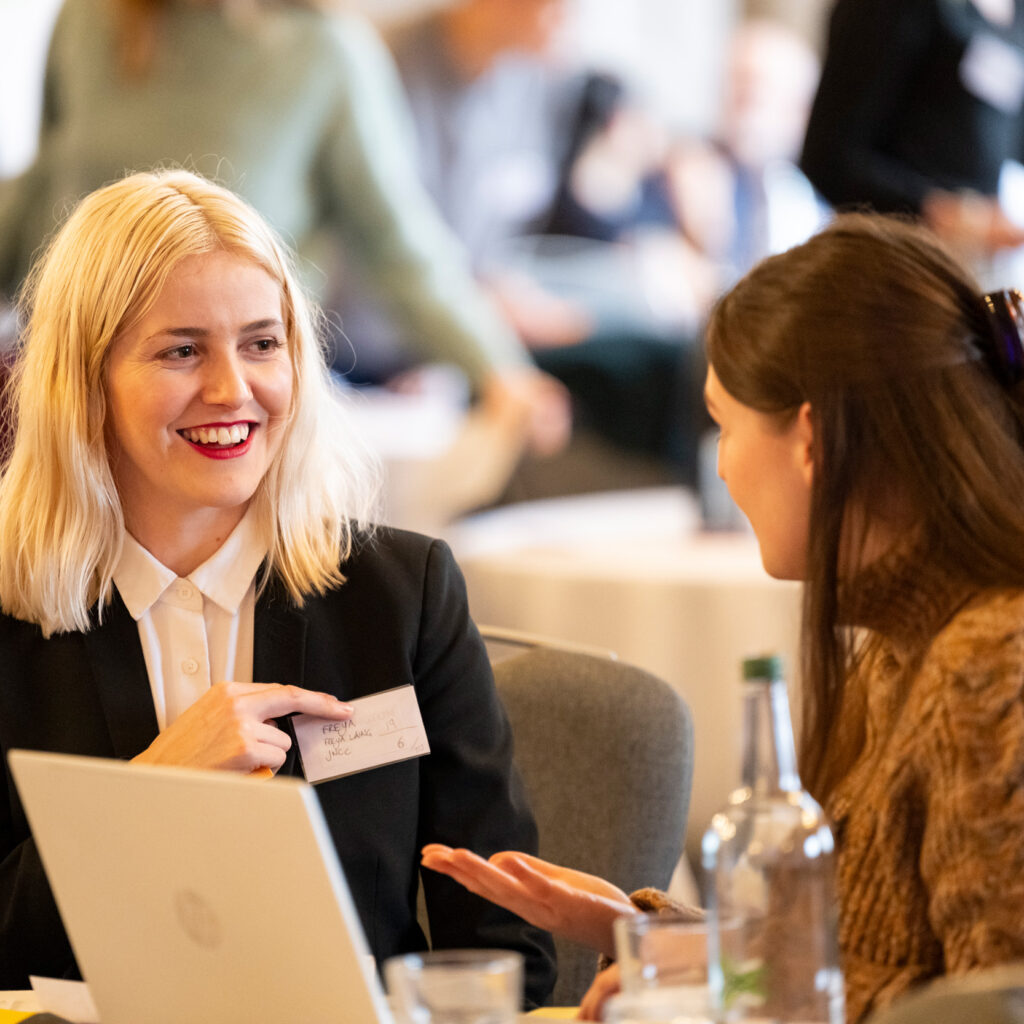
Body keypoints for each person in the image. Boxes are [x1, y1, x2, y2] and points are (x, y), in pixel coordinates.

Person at [422, 212, 1024, 1021]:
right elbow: (869, 963)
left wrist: (719, 978)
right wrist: (658, 939)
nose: (723, 465)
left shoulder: (989, 667)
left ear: (809, 439)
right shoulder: (907, 641)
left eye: (726, 425)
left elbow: (985, 1007)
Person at [0, 168, 557, 1001]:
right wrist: (148, 794)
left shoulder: (400, 596)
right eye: (182, 350)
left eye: (263, 343)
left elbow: (509, 950)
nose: (234, 390)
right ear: (83, 381)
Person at [0, 0, 569, 457]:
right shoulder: (88, 19)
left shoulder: (326, 54)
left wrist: (498, 370)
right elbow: (41, 188)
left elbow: (398, 243)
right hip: (60, 376)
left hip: (221, 394)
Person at [800, 0, 1024, 276]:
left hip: (977, 267)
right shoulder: (893, 8)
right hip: (893, 264)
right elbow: (827, 158)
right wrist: (941, 213)